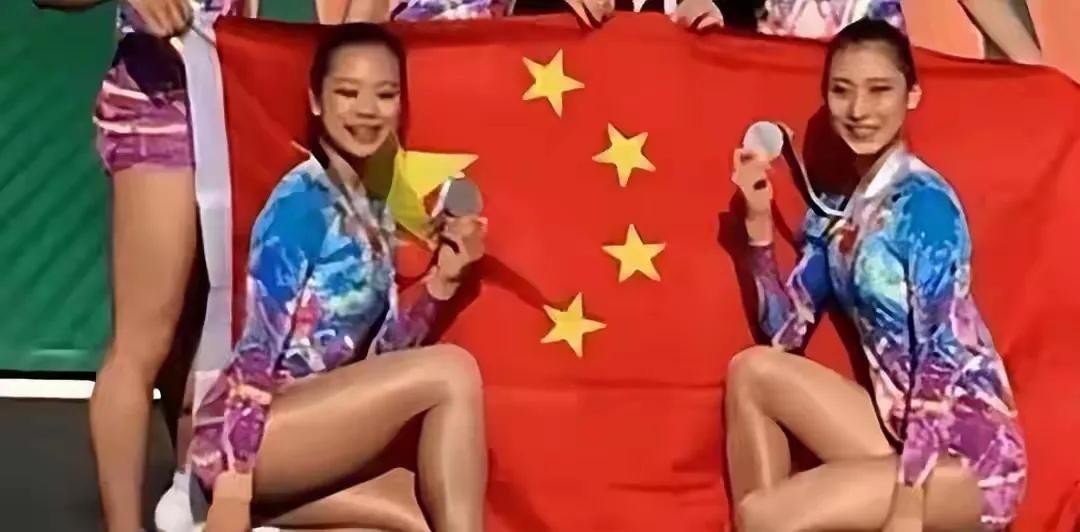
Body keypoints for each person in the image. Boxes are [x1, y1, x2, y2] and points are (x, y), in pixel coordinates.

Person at [724, 18, 1026, 532]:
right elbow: (784, 336)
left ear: (912, 95)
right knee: (751, 371)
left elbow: (937, 361)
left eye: (879, 90)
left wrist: (908, 508)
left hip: (970, 458)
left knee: (761, 516)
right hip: (896, 435)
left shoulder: (926, 207)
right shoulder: (835, 214)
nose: (859, 110)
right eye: (842, 91)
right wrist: (758, 231)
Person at [189, 23, 488, 532]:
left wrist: (443, 282)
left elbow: (384, 362)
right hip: (250, 438)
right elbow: (256, 352)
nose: (367, 110)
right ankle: (227, 498)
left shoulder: (374, 208)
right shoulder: (300, 204)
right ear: (315, 101)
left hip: (313, 425)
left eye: (385, 95)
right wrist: (233, 490)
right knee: (453, 370)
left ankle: (265, 512)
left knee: (420, 512)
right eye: (348, 93)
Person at [33, 1, 257, 530]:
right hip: (162, 105)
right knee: (142, 342)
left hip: (238, 96)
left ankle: (188, 496)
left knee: (204, 332)